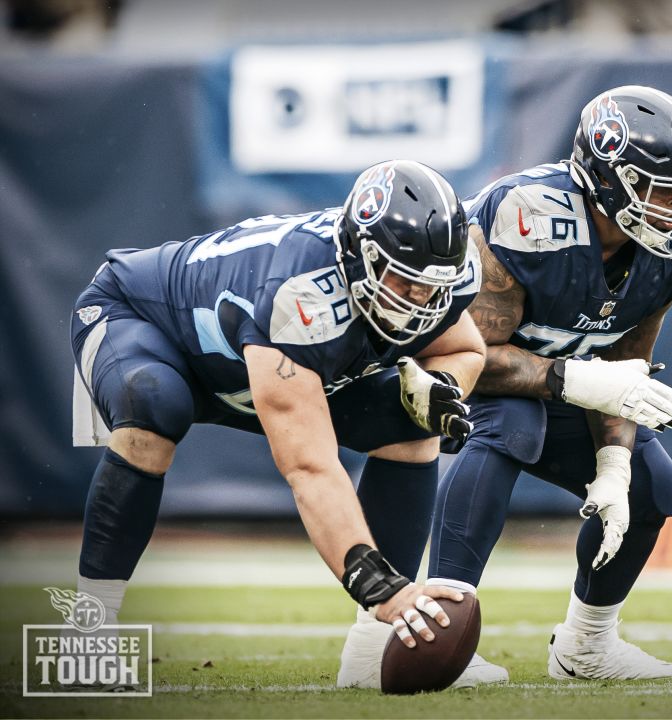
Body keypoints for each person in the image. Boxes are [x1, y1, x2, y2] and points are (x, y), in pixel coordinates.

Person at [340, 85, 672, 685]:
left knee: (652, 484)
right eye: (658, 188)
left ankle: (587, 646)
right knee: (514, 425)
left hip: (555, 380)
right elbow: (473, 353)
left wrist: (615, 463)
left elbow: (624, 361)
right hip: (444, 370)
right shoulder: (532, 215)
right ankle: (401, 634)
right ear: (607, 176)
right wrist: (577, 377)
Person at [70, 160, 485, 665]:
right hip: (140, 321)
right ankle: (90, 627)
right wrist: (379, 586)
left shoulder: (431, 280)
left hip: (249, 367)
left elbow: (466, 349)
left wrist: (443, 387)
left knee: (410, 420)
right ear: (359, 256)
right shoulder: (301, 294)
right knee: (154, 405)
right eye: (403, 283)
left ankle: (373, 653)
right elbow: (310, 469)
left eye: (430, 287)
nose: (419, 302)